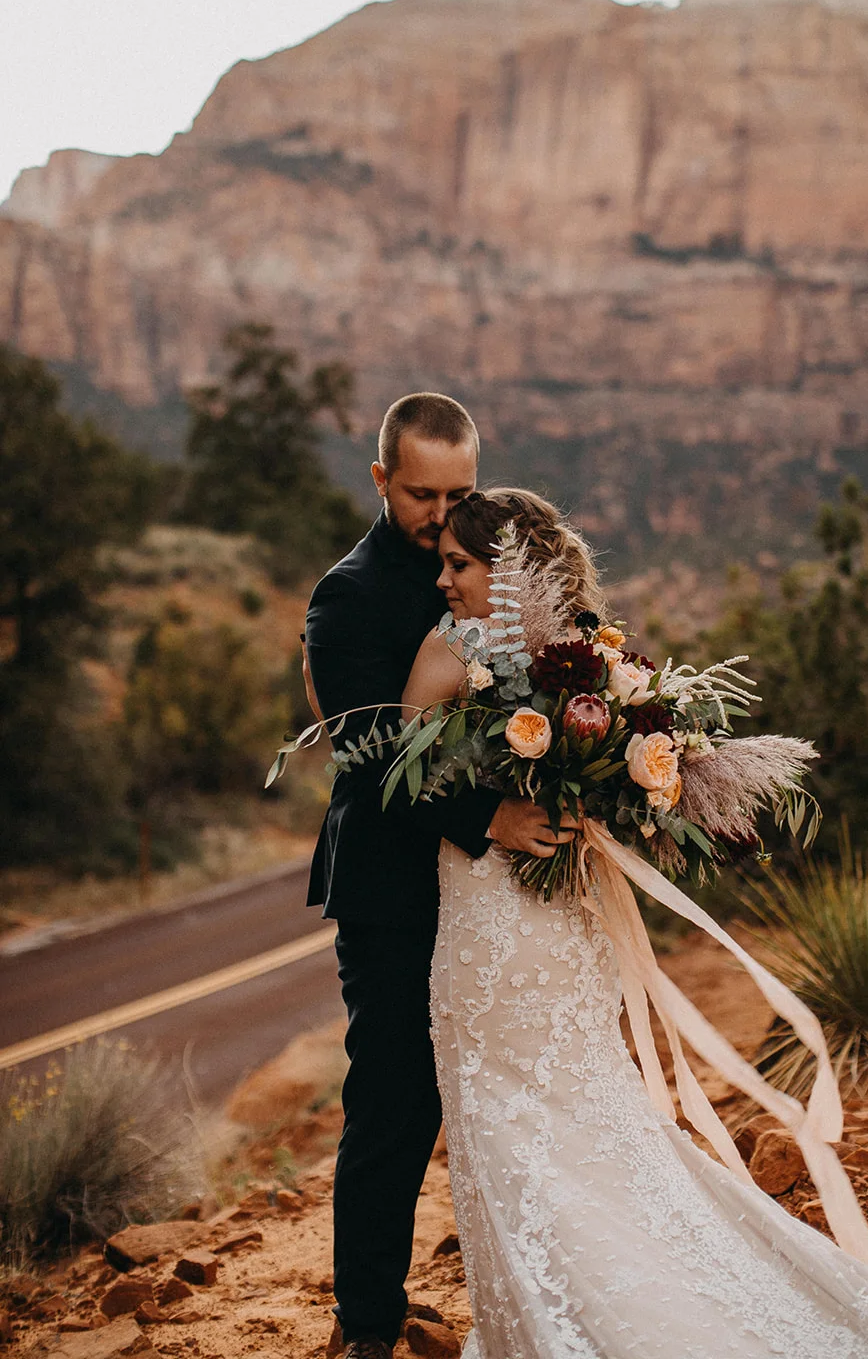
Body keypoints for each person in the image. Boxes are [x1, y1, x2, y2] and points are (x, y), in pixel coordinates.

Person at [401, 487, 868, 1359]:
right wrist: (494, 817)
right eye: (444, 562)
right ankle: (542, 1316)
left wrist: (590, 799)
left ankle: (585, 1323)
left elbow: (413, 792)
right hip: (501, 918)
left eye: (459, 565)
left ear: (511, 572)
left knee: (562, 1120)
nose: (442, 580)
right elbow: (398, 787)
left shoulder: (562, 658)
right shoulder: (502, 654)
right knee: (531, 1126)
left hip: (539, 924)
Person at [303, 400, 572, 1359]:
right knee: (394, 1100)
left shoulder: (499, 569)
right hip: (390, 889)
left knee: (506, 1090)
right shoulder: (347, 598)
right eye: (424, 494)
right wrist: (488, 817)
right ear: (380, 482)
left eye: (460, 492)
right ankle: (366, 1326)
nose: (443, 514)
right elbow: (368, 758)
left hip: (492, 897)